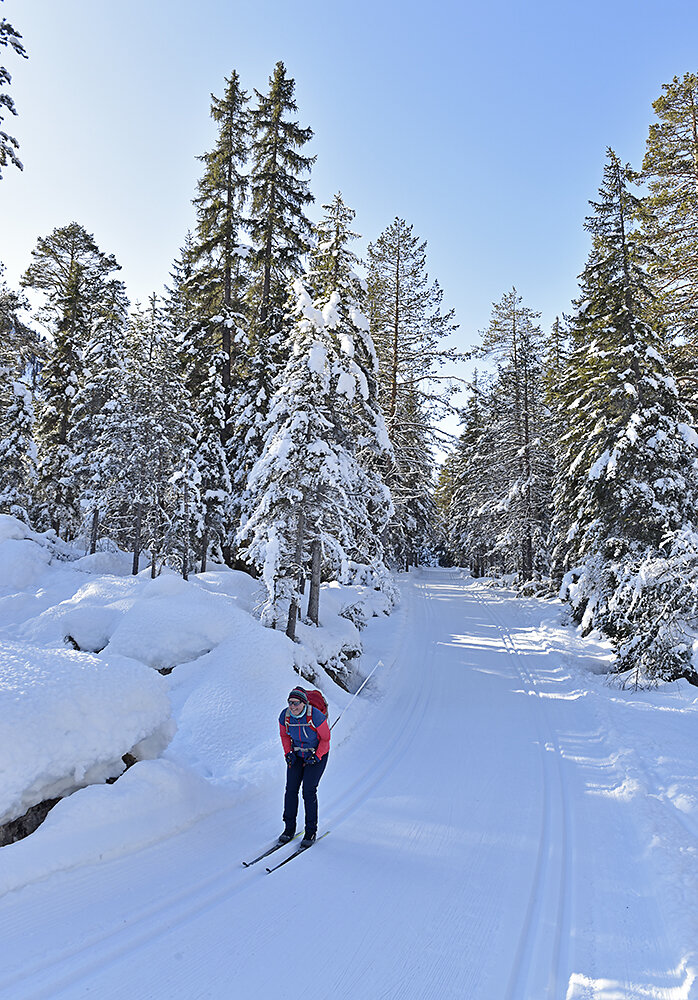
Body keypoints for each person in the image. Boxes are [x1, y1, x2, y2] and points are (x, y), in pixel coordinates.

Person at [278, 687, 330, 848]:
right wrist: (288, 753)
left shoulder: (316, 716)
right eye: (290, 703)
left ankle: (310, 831)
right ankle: (289, 828)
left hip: (316, 755)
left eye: (296, 703)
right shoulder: (284, 716)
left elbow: (326, 739)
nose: (292, 707)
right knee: (291, 790)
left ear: (304, 703)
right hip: (297, 754)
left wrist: (317, 756)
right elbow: (284, 735)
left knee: (308, 791)